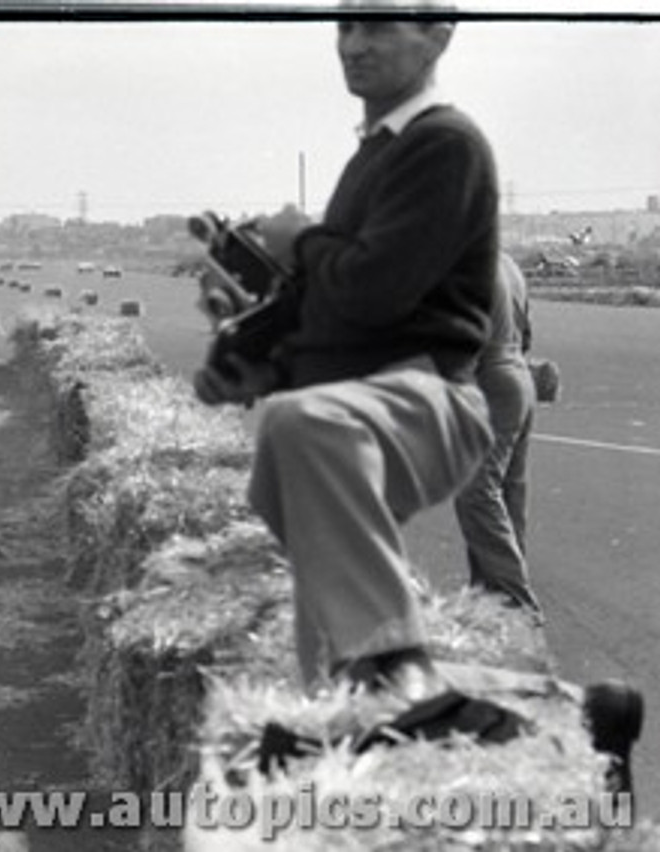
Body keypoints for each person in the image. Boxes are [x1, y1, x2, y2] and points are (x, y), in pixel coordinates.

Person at [193, 10, 642, 797]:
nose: (355, 44)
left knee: (307, 432)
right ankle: (572, 715)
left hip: (431, 394)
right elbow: (337, 307)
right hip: (373, 390)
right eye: (344, 26)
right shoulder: (375, 155)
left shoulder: (444, 144)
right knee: (291, 495)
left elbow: (373, 291)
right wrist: (255, 350)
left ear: (440, 36)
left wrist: (300, 241)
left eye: (380, 25)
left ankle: (400, 686)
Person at [453, 252, 541, 615]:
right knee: (507, 492)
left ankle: (517, 604)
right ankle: (490, 602)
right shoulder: (506, 263)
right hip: (519, 378)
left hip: (490, 382)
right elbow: (526, 335)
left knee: (475, 493)